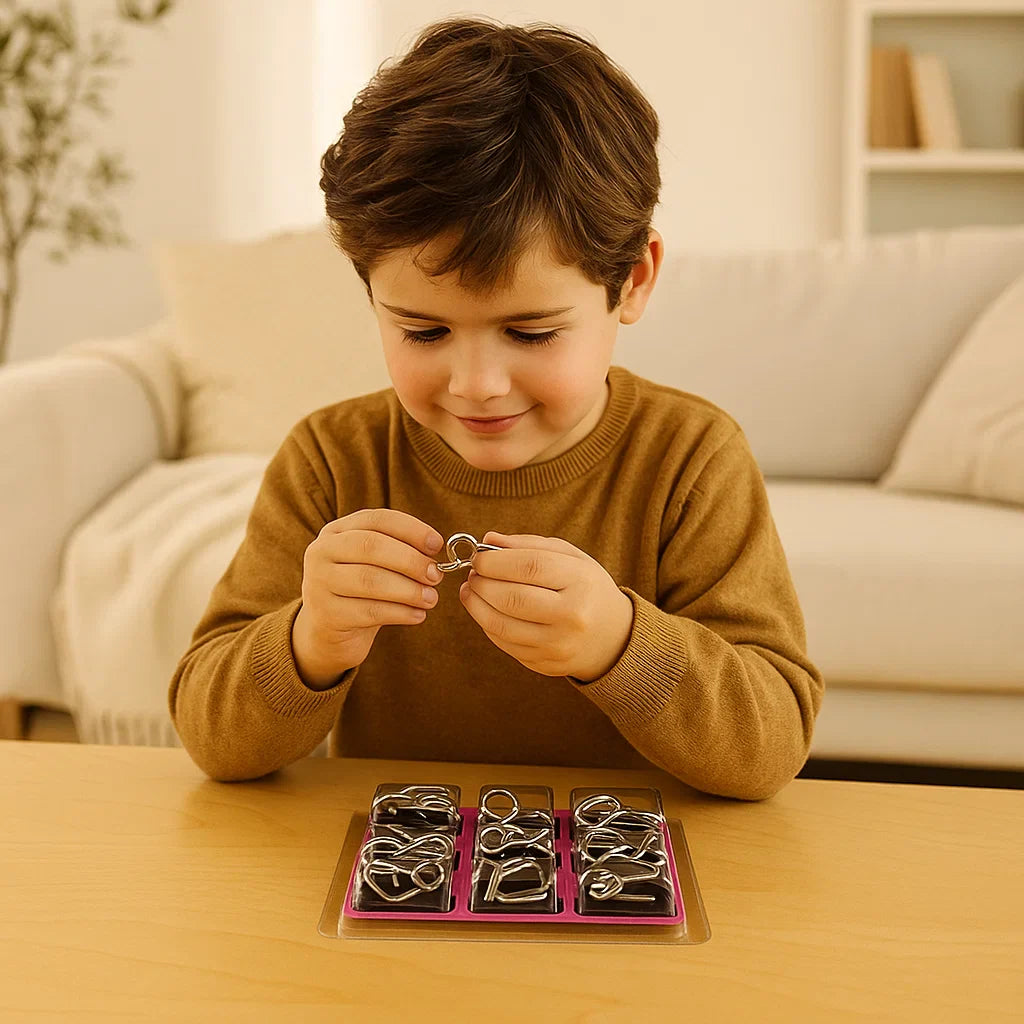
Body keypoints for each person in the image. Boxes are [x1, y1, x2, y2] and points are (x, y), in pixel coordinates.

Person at [169, 16, 824, 800]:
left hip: (622, 862)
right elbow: (213, 740)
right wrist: (311, 639)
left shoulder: (691, 458)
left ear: (634, 281)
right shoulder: (332, 460)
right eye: (424, 331)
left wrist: (620, 643)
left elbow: (769, 749)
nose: (476, 383)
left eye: (530, 332)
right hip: (403, 862)